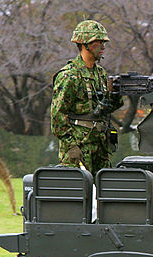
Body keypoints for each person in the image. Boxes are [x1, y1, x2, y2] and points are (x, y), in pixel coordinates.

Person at [51, 20, 123, 176]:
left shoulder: (101, 74)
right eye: (97, 42)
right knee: (77, 195)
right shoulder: (69, 75)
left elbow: (101, 111)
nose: (103, 46)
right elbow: (58, 117)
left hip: (100, 147)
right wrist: (71, 146)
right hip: (78, 147)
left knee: (103, 193)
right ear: (84, 44)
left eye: (104, 42)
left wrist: (115, 95)